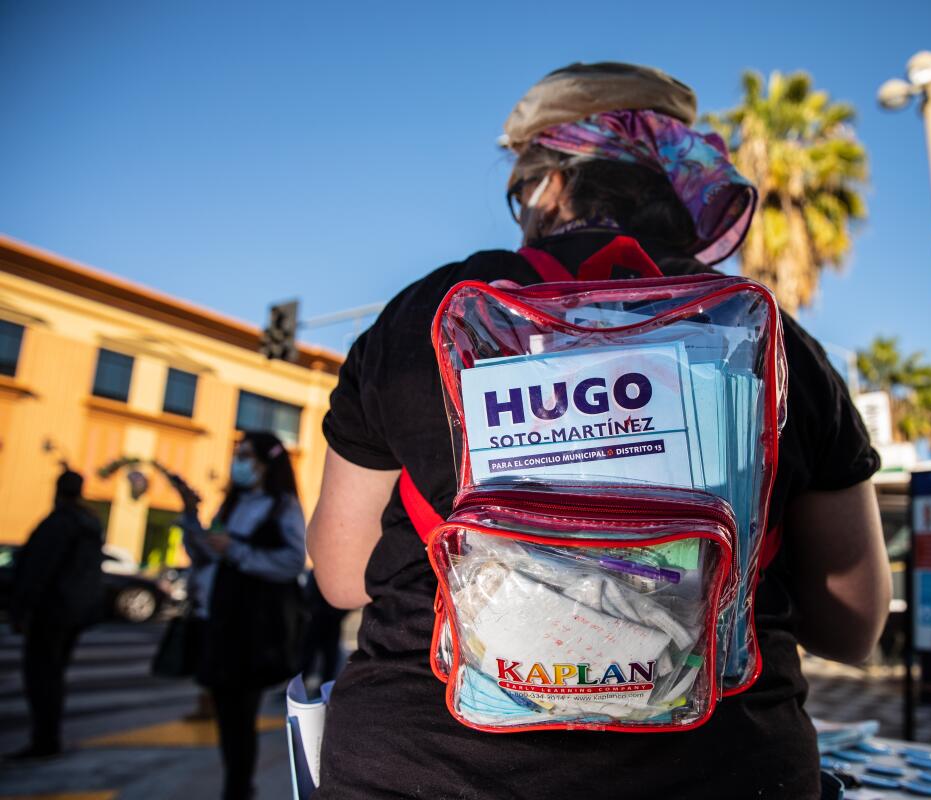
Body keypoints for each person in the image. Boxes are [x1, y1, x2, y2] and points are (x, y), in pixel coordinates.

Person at [308, 62, 891, 800]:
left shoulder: (427, 314)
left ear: (552, 183)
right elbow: (852, 626)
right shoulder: (769, 339)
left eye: (521, 188)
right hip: (724, 770)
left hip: (423, 768)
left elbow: (341, 574)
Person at [180, 432, 307, 800]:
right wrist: (190, 517)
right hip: (218, 619)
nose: (240, 461)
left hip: (252, 627)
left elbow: (292, 561)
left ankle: (238, 787)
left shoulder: (282, 506)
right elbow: (206, 553)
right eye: (238, 453)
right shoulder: (231, 504)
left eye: (248, 455)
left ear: (268, 462)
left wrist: (237, 551)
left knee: (240, 713)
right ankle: (236, 783)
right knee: (225, 711)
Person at [9, 469, 104, 759]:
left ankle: (45, 739)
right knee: (52, 675)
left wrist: (22, 609)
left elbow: (38, 570)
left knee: (42, 677)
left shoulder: (60, 524)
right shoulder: (89, 523)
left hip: (51, 612)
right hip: (73, 612)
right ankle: (48, 736)